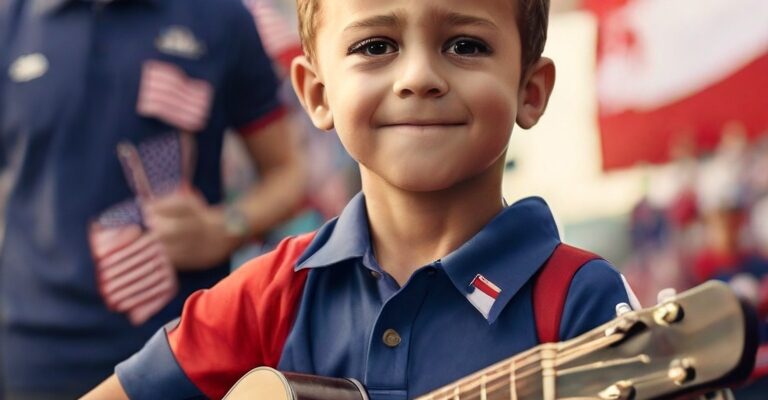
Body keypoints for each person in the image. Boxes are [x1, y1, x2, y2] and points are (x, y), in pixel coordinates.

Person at [84, 0, 640, 398]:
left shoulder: (578, 302)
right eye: (376, 46)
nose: (419, 77)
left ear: (531, 90)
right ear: (317, 94)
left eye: (465, 45)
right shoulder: (271, 295)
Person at [0, 0, 306, 397]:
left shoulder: (221, 17)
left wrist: (225, 227)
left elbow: (288, 172)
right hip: (33, 352)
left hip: (179, 350)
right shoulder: (10, 21)